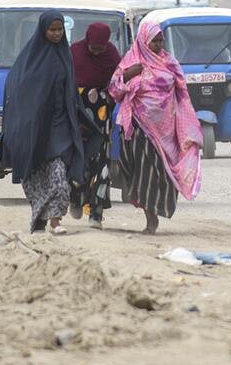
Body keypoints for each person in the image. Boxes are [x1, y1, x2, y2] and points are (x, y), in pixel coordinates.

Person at [111, 18, 203, 235]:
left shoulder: (170, 64)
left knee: (158, 174)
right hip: (137, 130)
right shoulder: (130, 61)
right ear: (144, 40)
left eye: (161, 41)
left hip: (165, 132)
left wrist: (188, 126)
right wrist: (129, 74)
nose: (158, 46)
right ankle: (149, 215)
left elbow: (183, 95)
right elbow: (114, 91)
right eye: (154, 41)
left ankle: (153, 217)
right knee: (140, 172)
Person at [0, 11, 87, 235]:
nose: (57, 34)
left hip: (59, 126)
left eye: (60, 30)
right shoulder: (29, 60)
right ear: (43, 30)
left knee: (59, 175)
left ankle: (56, 220)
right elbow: (17, 91)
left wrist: (78, 117)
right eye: (52, 30)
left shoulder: (65, 56)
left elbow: (70, 90)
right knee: (35, 176)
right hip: (35, 127)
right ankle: (39, 216)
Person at [69, 20, 121, 227]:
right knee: (77, 160)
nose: (98, 53)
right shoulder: (74, 52)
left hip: (101, 118)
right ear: (88, 40)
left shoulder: (112, 55)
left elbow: (117, 83)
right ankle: (75, 198)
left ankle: (96, 213)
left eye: (101, 49)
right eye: (94, 49)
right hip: (77, 115)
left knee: (101, 164)